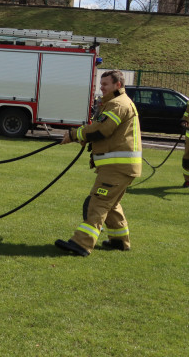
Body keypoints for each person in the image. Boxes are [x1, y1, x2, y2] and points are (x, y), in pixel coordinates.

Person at [55, 70, 142, 256]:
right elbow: (102, 131)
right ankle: (119, 241)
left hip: (117, 167)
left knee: (98, 202)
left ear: (118, 85)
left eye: (105, 84)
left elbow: (102, 129)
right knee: (111, 204)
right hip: (120, 167)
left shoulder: (118, 104)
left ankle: (82, 243)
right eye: (101, 84)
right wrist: (84, 137)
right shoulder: (114, 103)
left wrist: (74, 135)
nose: (101, 88)